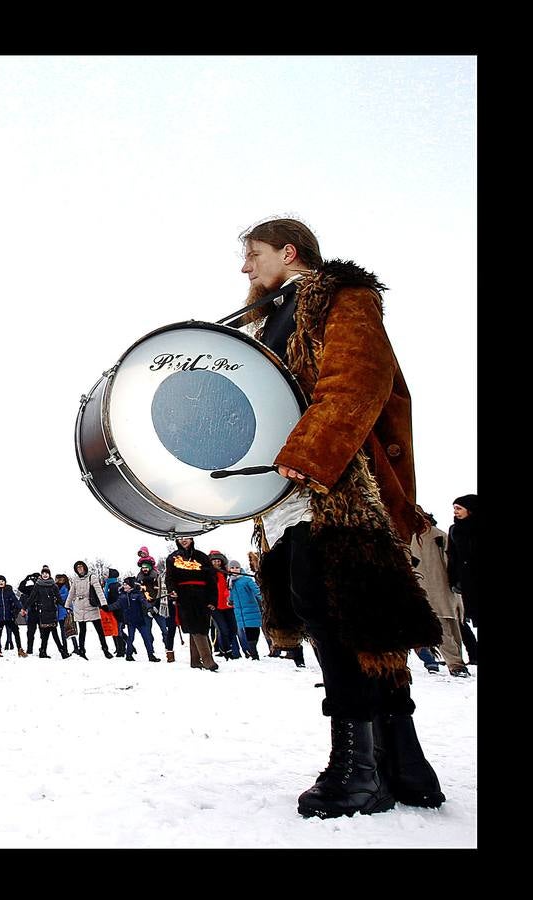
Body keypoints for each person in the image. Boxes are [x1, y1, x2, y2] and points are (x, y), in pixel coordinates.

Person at [239, 217, 444, 818]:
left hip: (336, 482)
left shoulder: (341, 299)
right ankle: (404, 762)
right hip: (293, 487)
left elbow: (359, 380)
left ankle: (358, 770)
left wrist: (312, 453)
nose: (244, 268)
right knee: (351, 614)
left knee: (338, 612)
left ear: (288, 250)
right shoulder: (266, 320)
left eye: (252, 254)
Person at [411, 510, 469, 676]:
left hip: (443, 588)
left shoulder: (438, 537)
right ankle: (455, 664)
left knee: (452, 626)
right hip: (430, 590)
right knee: (442, 628)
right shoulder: (414, 538)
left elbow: (451, 562)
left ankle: (456, 662)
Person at [165, 537, 219, 672]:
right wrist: (172, 590)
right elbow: (170, 578)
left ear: (192, 538)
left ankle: (195, 660)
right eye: (180, 538)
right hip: (184, 595)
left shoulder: (201, 556)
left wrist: (213, 599)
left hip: (202, 594)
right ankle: (208, 660)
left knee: (202, 626)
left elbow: (211, 579)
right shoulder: (172, 558)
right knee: (194, 625)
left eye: (186, 538)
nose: (184, 540)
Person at [446, 495, 477, 665]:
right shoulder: (454, 530)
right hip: (466, 582)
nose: (455, 512)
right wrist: (453, 580)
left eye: (459, 508)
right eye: (454, 508)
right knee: (467, 618)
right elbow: (452, 557)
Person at [66, 561, 110, 659]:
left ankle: (105, 649)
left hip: (91, 605)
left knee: (99, 630)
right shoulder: (75, 579)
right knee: (82, 631)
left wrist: (104, 604)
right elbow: (71, 593)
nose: (80, 569)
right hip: (79, 607)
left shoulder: (92, 577)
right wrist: (67, 605)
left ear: (85, 567)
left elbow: (99, 591)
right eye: (77, 568)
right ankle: (82, 651)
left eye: (81, 567)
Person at [208, 551, 242, 660]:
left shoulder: (226, 573)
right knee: (223, 629)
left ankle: (230, 650)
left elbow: (237, 577)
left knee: (233, 629)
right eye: (214, 561)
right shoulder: (208, 574)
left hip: (228, 605)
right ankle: (227, 651)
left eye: (218, 561)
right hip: (215, 606)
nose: (217, 563)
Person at [227, 560, 263, 661]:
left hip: (251, 609)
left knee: (254, 630)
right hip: (239, 612)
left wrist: (263, 600)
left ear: (240, 568)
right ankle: (253, 653)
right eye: (232, 568)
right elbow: (232, 595)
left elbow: (256, 590)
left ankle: (253, 651)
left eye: (237, 567)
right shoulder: (230, 581)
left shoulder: (246, 580)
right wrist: (230, 601)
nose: (235, 570)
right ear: (229, 569)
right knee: (247, 633)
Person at [118, 576, 160, 662]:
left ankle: (151, 655)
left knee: (146, 638)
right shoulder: (122, 596)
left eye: (126, 584)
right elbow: (117, 605)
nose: (124, 586)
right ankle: (128, 655)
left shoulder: (137, 594)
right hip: (130, 621)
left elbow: (144, 602)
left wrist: (150, 608)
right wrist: (106, 607)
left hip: (140, 620)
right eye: (124, 584)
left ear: (131, 585)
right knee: (131, 638)